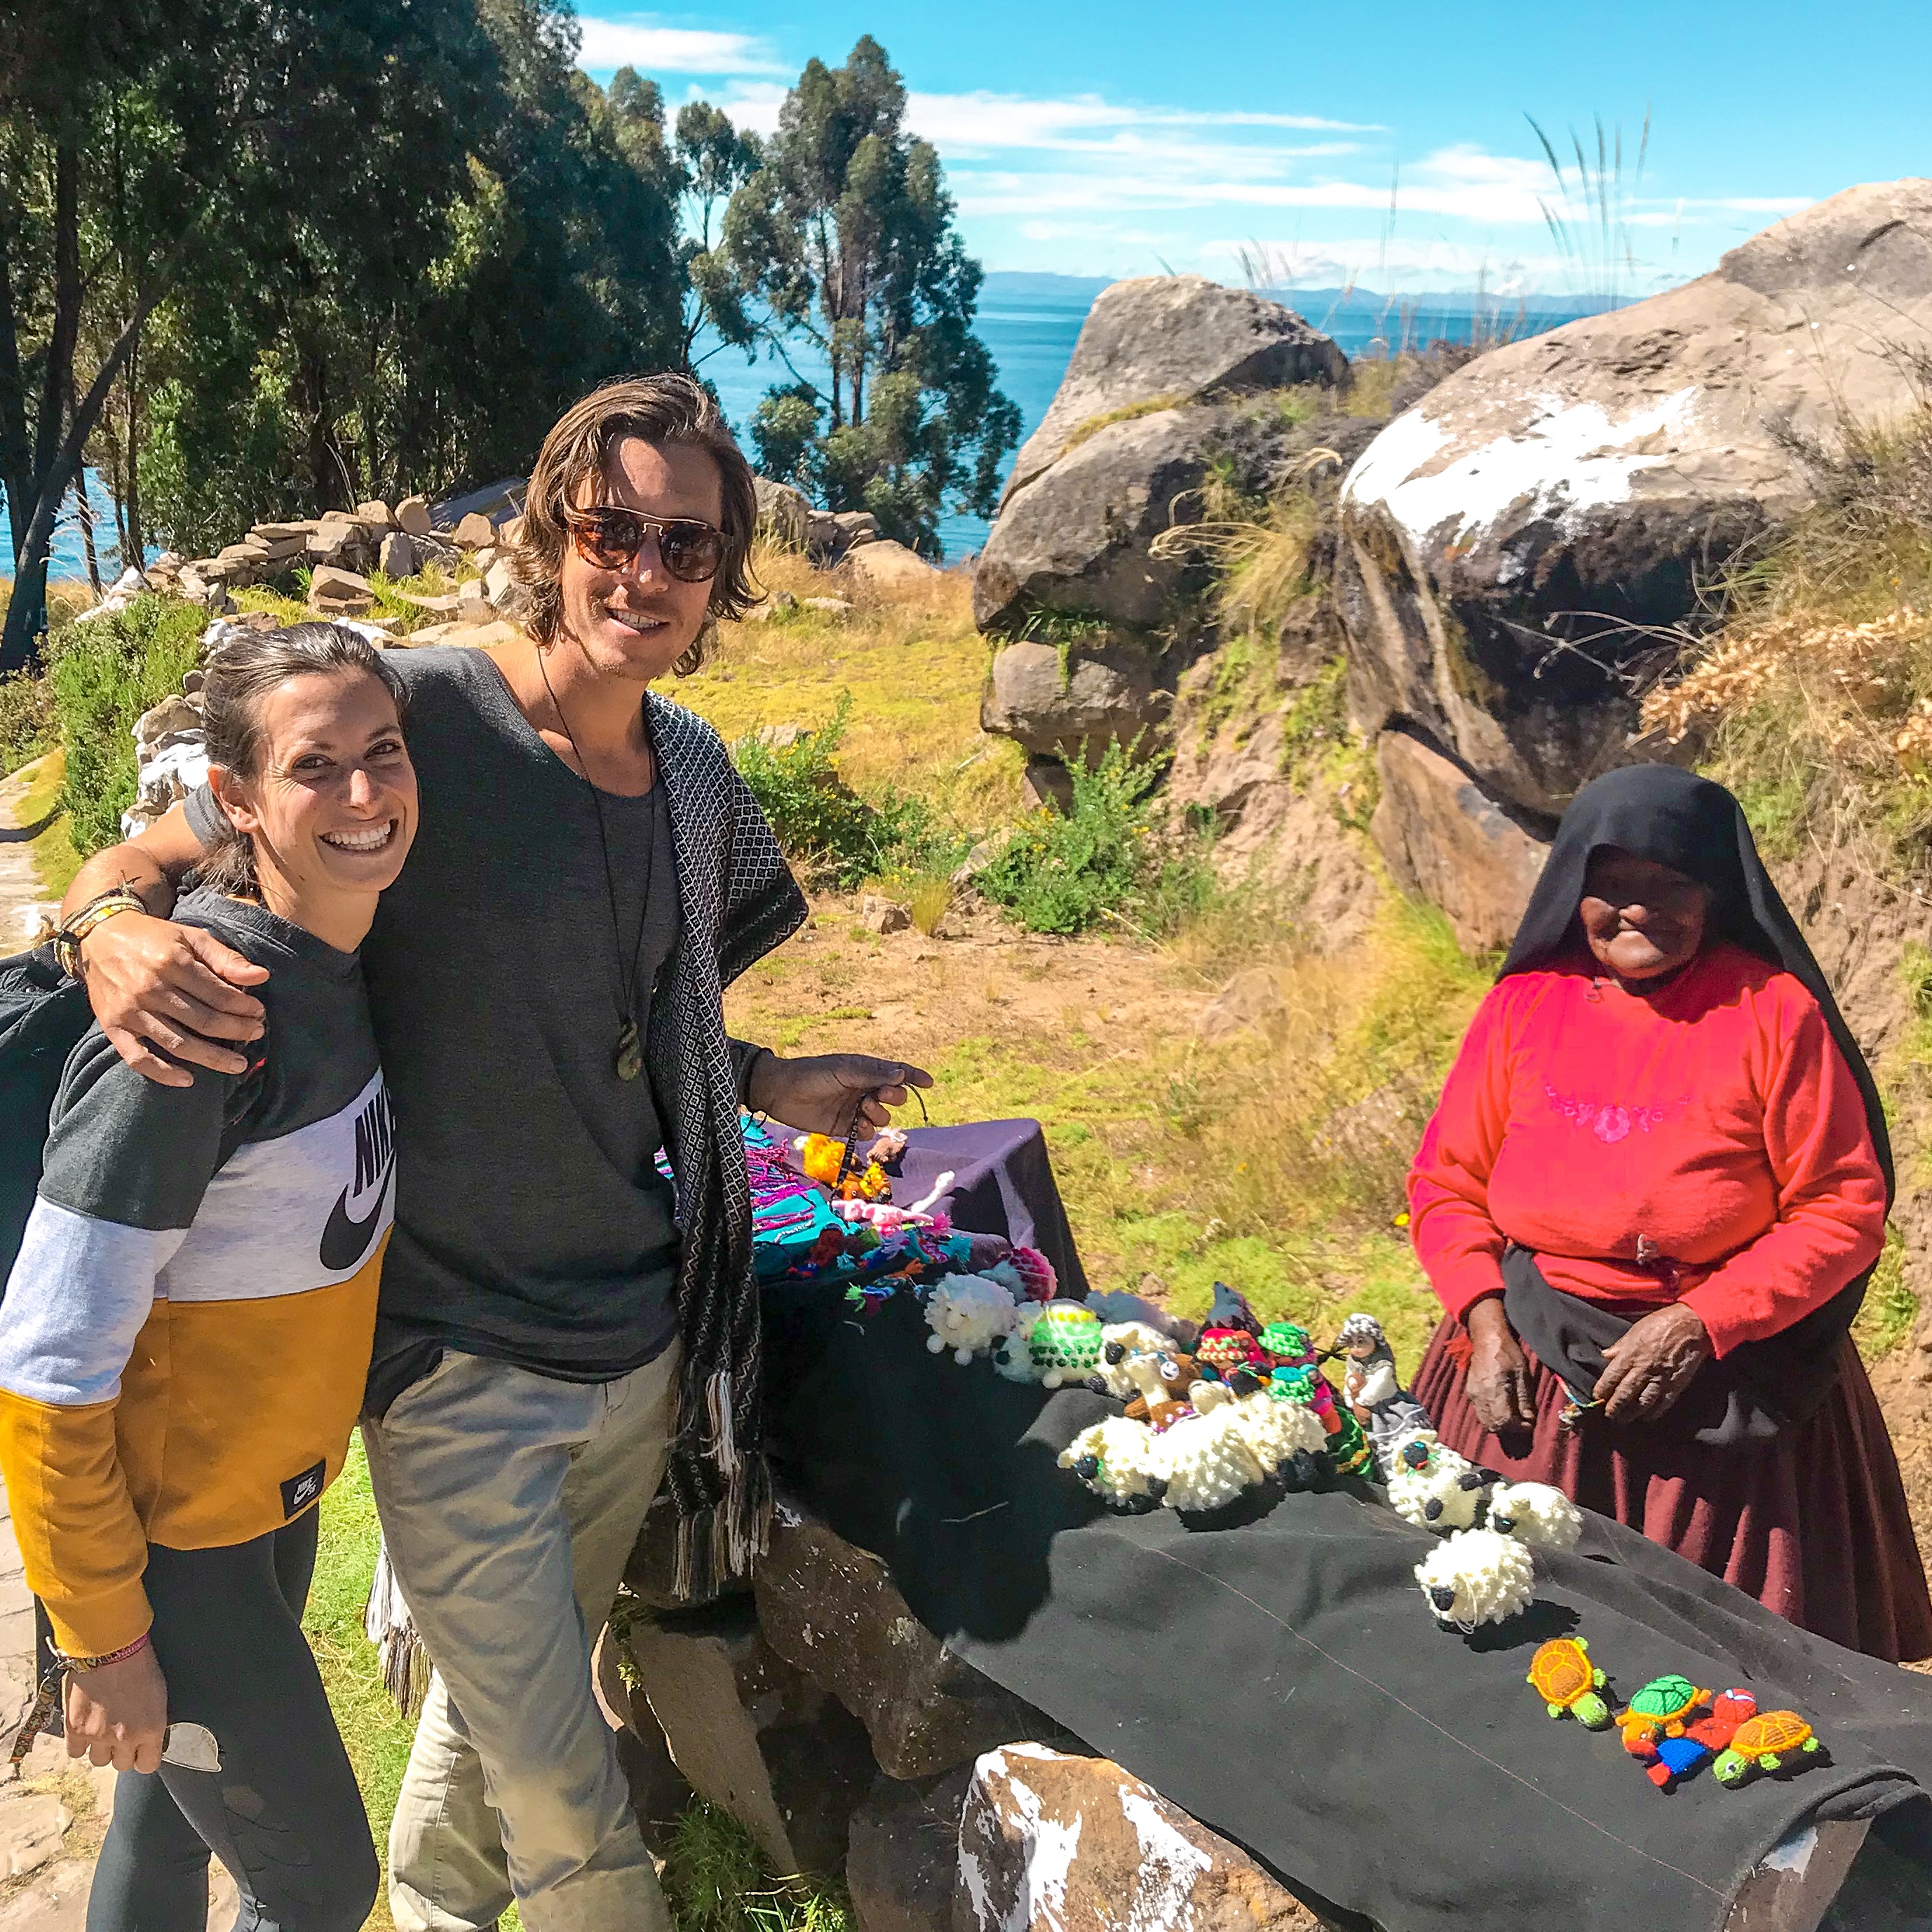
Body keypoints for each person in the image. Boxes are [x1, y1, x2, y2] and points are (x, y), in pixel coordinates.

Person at [58, 374, 928, 1932]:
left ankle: (440, 1911)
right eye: (615, 530)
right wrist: (107, 922)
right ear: (553, 527)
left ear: (723, 575)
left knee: (486, 1728)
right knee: (572, 1806)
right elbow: (167, 837)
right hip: (449, 1357)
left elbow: (649, 1027)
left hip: (632, 1340)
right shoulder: (419, 720)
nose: (645, 574)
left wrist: (775, 1077)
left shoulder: (692, 776)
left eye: (688, 544)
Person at [1, 624, 416, 1928]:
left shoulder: (344, 969)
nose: (363, 794)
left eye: (384, 752)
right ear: (232, 799)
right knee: (322, 1886)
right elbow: (49, 1358)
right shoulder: (197, 1023)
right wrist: (106, 1639)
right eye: (317, 766)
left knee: (167, 1827)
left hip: (263, 1511)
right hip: (177, 1556)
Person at [1406, 764, 1932, 1661]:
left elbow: (1842, 1209)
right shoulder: (1523, 1008)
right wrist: (1483, 1318)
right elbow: (1446, 1183)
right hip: (1535, 1368)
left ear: (1714, 893)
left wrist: (1700, 1321)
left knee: (1730, 1665)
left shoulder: (1772, 1013)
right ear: (1576, 889)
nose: (1636, 910)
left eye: (1669, 885)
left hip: (1727, 1382)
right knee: (1506, 1630)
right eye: (1612, 886)